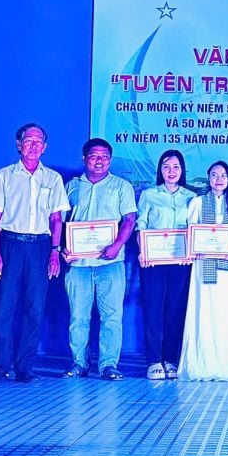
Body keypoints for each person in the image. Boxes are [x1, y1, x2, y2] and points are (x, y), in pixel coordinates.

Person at [0, 122, 69, 383]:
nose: (33, 145)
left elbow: (56, 219)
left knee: (34, 308)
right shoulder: (4, 176)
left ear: (45, 147)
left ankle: (25, 367)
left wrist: (54, 252)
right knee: (4, 307)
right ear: (18, 144)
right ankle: (1, 365)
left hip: (41, 247)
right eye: (28, 140)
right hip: (10, 244)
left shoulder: (53, 178)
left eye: (38, 141)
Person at [63, 138, 137, 379]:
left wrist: (117, 245)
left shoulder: (122, 186)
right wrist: (63, 248)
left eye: (105, 157)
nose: (99, 161)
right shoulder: (71, 187)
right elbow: (61, 222)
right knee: (78, 317)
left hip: (110, 263)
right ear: (84, 158)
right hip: (78, 264)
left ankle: (108, 365)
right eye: (94, 156)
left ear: (110, 160)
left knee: (112, 317)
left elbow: (129, 220)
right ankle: (79, 363)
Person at [137, 149, 197, 379]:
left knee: (175, 310)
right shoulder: (149, 194)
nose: (171, 171)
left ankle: (171, 359)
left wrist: (191, 251)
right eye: (166, 166)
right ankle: (154, 360)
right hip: (153, 262)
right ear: (160, 170)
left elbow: (195, 228)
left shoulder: (191, 197)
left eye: (175, 167)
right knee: (153, 310)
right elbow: (141, 225)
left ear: (182, 170)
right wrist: (143, 250)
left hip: (182, 262)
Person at [180, 161, 228, 380]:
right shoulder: (197, 202)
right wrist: (194, 250)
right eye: (214, 175)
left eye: (223, 175)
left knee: (226, 311)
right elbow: (190, 231)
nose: (219, 179)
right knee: (204, 310)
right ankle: (202, 365)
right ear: (208, 178)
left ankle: (227, 366)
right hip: (202, 264)